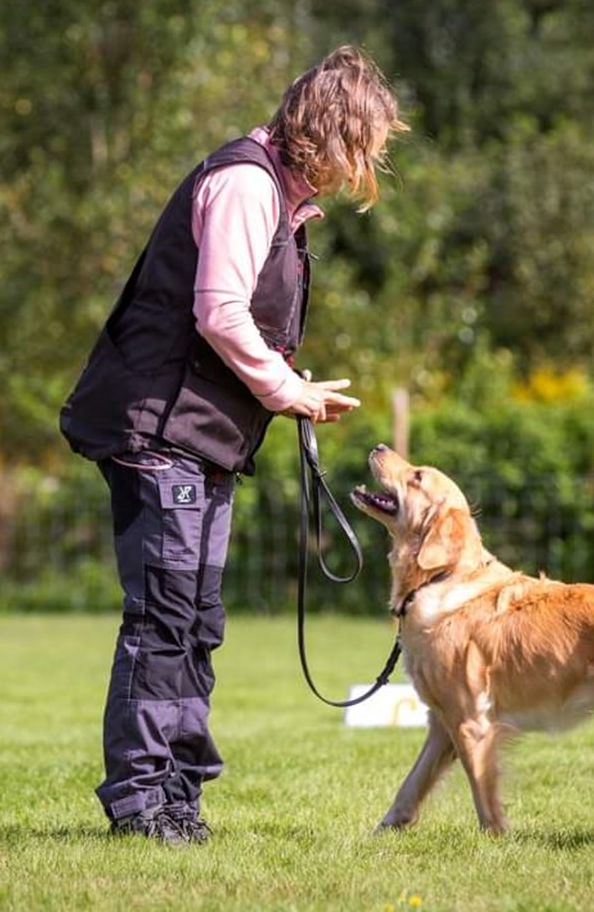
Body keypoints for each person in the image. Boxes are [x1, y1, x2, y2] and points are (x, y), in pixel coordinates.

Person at [60, 45, 407, 845]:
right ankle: (143, 802)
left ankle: (180, 796)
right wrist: (288, 391)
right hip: (158, 431)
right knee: (166, 619)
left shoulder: (277, 199)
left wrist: (289, 382)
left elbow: (236, 321)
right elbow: (219, 314)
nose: (370, 164)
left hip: (199, 438)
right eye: (368, 145)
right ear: (333, 133)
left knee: (197, 620)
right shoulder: (246, 184)